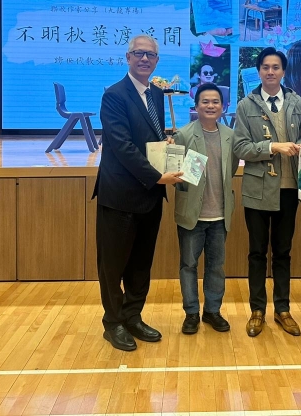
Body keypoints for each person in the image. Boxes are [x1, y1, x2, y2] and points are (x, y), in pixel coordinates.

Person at [92, 34, 184, 352]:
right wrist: (158, 176)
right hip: (120, 196)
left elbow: (150, 139)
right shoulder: (114, 95)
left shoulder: (156, 93)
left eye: (150, 55)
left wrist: (165, 145)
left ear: (157, 61)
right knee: (113, 265)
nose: (145, 59)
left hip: (149, 196)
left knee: (141, 264)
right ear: (128, 57)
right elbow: (122, 147)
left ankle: (133, 316)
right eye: (138, 53)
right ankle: (113, 323)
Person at [233, 47, 301, 337]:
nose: (270, 72)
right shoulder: (245, 105)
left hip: (289, 188)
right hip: (258, 189)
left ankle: (283, 309)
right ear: (259, 71)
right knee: (257, 252)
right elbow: (241, 147)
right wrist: (272, 147)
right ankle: (257, 311)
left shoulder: (297, 102)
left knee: (283, 252)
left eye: (276, 67)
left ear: (283, 71)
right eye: (265, 67)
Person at [172, 83, 239, 335]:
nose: (210, 106)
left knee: (216, 267)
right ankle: (191, 313)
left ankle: (212, 311)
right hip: (192, 214)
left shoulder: (230, 135)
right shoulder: (183, 134)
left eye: (215, 102)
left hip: (220, 214)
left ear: (223, 106)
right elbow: (176, 174)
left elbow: (231, 169)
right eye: (205, 102)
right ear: (196, 106)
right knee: (188, 265)